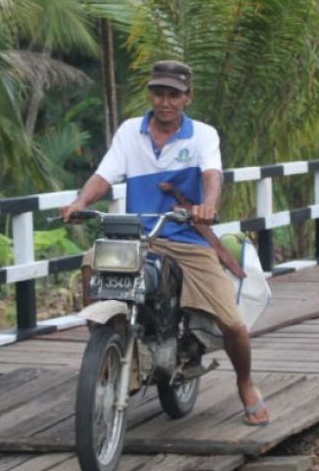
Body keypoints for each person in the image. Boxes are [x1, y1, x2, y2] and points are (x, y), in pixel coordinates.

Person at [60, 60, 269, 426]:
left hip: (187, 238)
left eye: (174, 93)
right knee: (92, 260)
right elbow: (105, 174)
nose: (165, 100)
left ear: (187, 97)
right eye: (159, 92)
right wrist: (81, 202)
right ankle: (108, 344)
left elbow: (212, 176)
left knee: (232, 322)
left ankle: (246, 384)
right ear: (150, 94)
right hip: (141, 238)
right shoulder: (130, 131)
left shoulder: (202, 135)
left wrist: (208, 206)